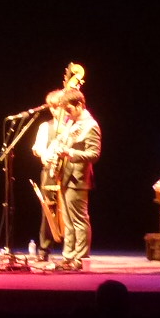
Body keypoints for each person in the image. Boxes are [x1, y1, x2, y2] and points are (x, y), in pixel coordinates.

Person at [48, 86, 100, 270]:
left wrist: (70, 152)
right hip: (65, 174)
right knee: (68, 221)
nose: (67, 113)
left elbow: (94, 154)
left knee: (79, 219)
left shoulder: (90, 125)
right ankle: (68, 256)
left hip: (78, 178)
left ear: (79, 105)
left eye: (69, 109)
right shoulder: (71, 122)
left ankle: (81, 257)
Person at [30, 88, 67, 263]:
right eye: (51, 107)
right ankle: (44, 248)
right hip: (49, 172)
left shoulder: (71, 126)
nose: (54, 110)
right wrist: (44, 154)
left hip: (67, 172)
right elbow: (37, 148)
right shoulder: (45, 126)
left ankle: (70, 250)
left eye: (57, 106)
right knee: (48, 211)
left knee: (67, 211)